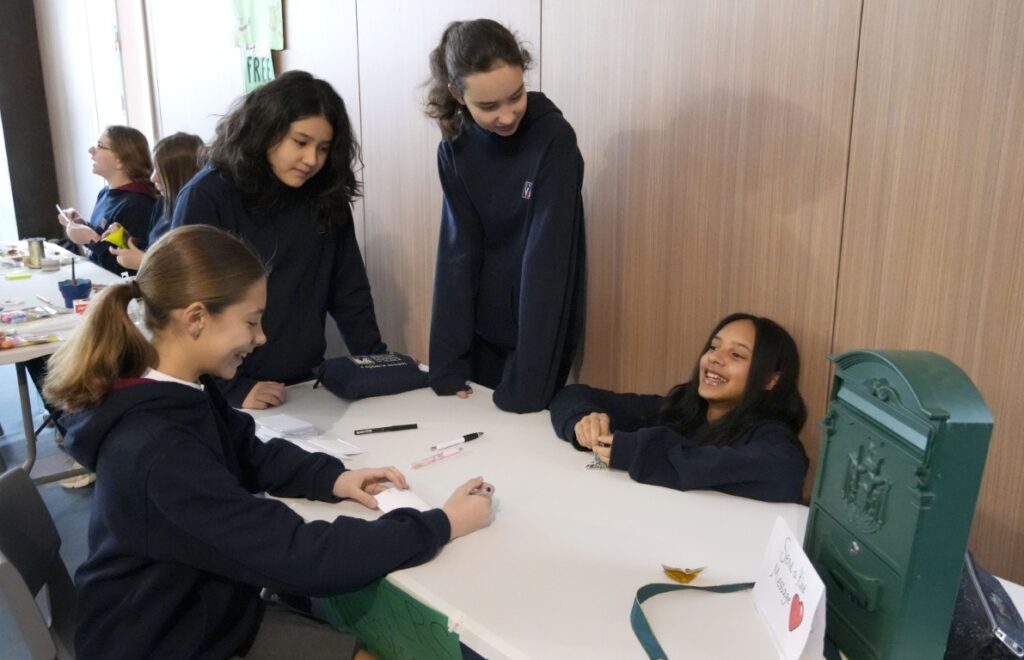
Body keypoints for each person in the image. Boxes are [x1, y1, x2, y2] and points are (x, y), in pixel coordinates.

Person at [43, 225, 495, 659]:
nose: (260, 338)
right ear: (197, 318)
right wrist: (442, 523)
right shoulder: (156, 450)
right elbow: (301, 556)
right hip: (168, 641)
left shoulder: (179, 392)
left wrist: (335, 478)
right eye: (252, 322)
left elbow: (249, 452)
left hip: (207, 613)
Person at [172, 70, 386, 410]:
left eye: (324, 148)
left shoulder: (326, 197)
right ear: (266, 130)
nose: (311, 160)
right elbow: (185, 307)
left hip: (303, 383)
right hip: (226, 392)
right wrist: (232, 391)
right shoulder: (208, 195)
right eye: (300, 143)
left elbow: (349, 291)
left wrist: (378, 364)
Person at [424, 19, 586, 414]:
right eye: (488, 106)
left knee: (523, 422)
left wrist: (527, 385)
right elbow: (457, 254)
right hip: (484, 328)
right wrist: (447, 366)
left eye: (516, 96)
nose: (508, 115)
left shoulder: (554, 140)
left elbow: (547, 263)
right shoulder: (455, 150)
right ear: (456, 95)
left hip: (540, 327)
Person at [548, 313, 809, 503]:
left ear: (770, 380)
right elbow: (573, 394)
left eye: (736, 355)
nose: (714, 358)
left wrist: (640, 452)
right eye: (714, 347)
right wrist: (584, 421)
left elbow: (785, 472)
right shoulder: (680, 410)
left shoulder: (771, 437)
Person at [59, 125, 158, 274]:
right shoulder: (105, 193)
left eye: (100, 146)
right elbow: (104, 237)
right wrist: (81, 224)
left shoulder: (138, 204)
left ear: (121, 161)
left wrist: (90, 239)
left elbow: (125, 266)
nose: (92, 151)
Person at [108, 131, 205, 271]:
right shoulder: (162, 203)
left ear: (178, 174)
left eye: (160, 171)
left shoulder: (196, 213)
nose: (153, 178)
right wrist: (125, 239)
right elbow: (153, 247)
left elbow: (188, 269)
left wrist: (144, 262)